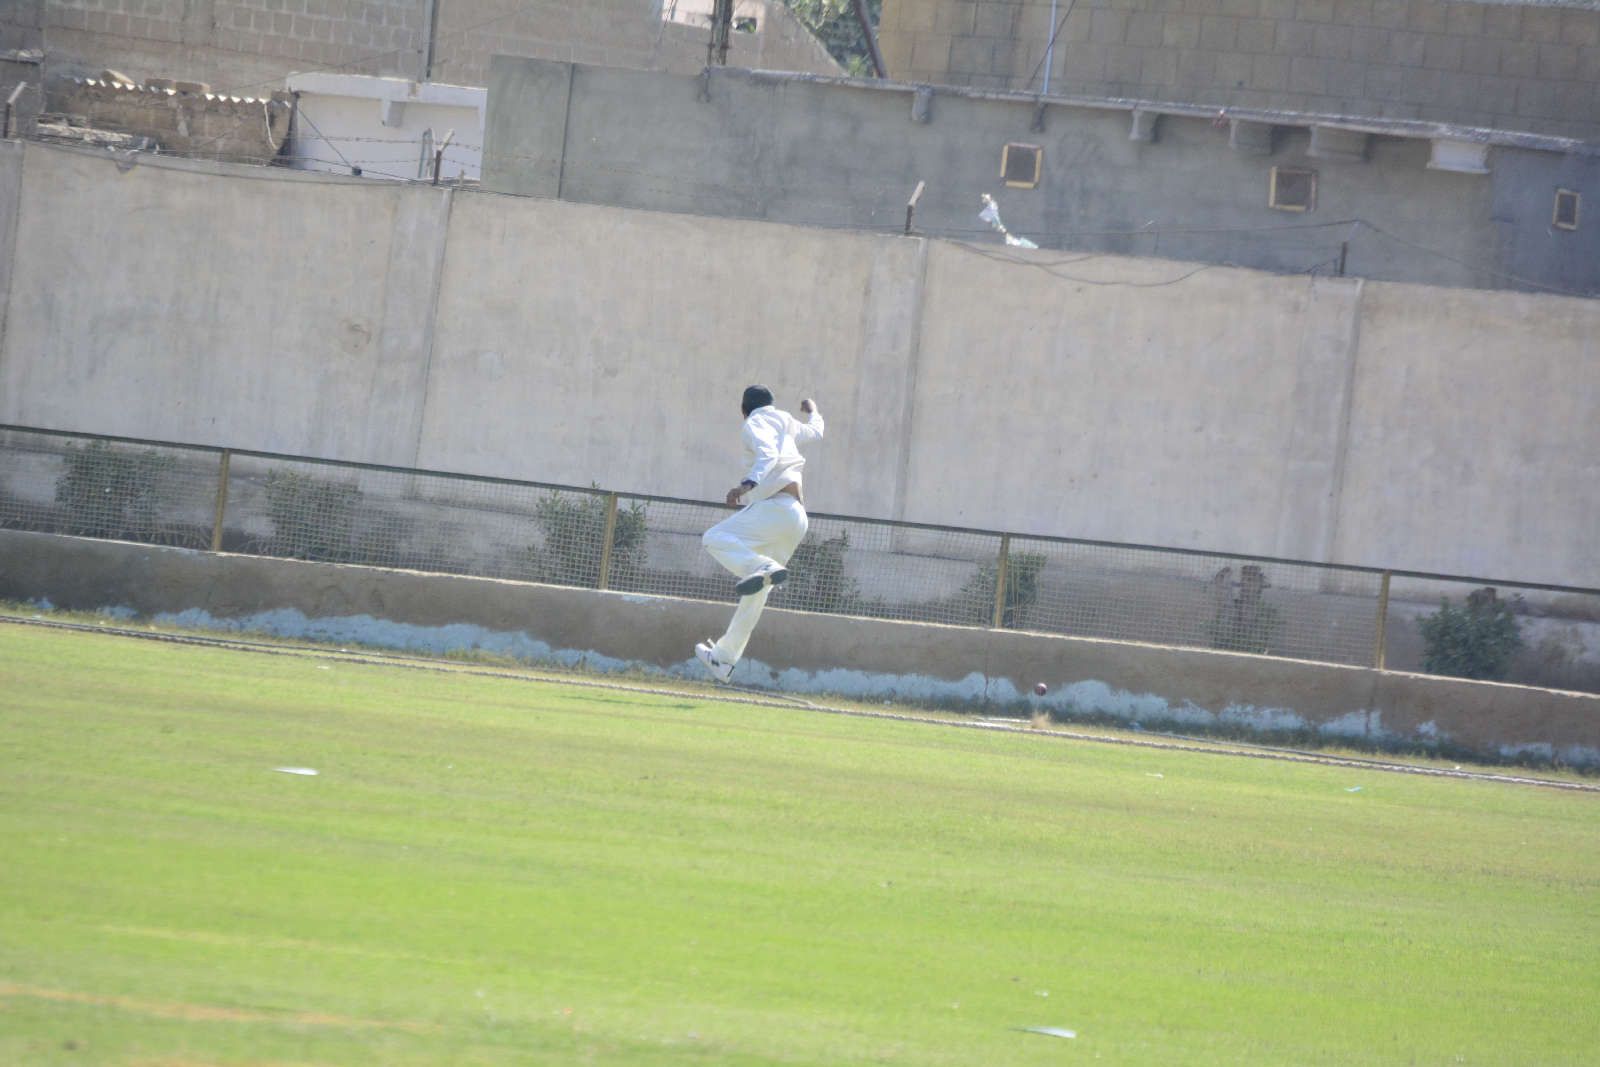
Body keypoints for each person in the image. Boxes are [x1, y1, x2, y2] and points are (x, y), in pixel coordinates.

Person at [694, 385, 824, 683]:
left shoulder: (754, 423)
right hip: (796, 517)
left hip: (774, 508)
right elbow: (816, 432)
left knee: (713, 538)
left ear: (744, 410)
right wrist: (814, 410)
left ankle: (761, 566)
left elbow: (767, 454)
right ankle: (724, 659)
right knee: (757, 594)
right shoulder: (786, 421)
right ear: (771, 404)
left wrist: (746, 485)